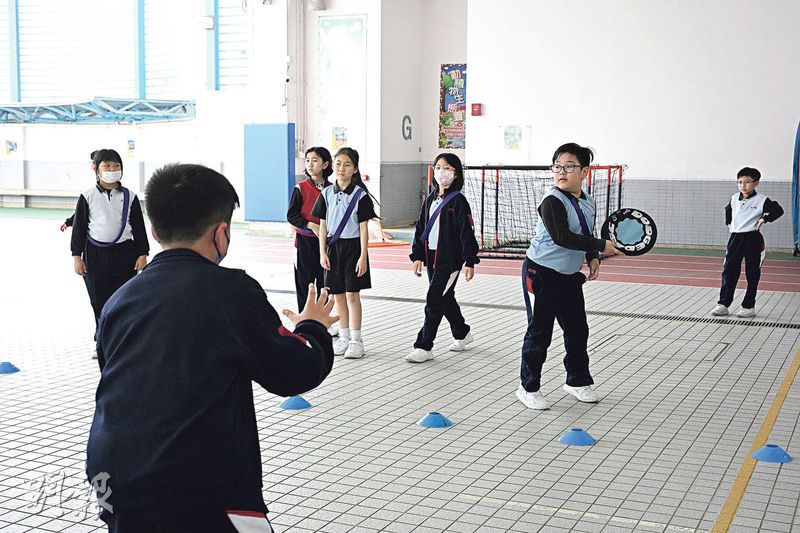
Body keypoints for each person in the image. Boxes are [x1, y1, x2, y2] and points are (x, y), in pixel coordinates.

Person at [86, 163, 338, 532]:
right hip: (201, 483)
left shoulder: (121, 299)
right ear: (221, 233)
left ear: (154, 232)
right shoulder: (232, 292)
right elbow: (294, 371)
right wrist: (312, 326)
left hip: (114, 475)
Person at [516, 143, 623, 410]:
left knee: (577, 331)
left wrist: (593, 257)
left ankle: (577, 381)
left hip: (569, 276)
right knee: (539, 333)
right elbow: (562, 237)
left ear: (584, 171)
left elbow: (585, 230)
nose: (561, 172)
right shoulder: (552, 200)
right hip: (540, 273)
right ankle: (527, 387)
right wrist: (600, 246)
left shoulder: (588, 201)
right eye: (558, 167)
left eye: (569, 167)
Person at [70, 149, 149, 357]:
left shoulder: (130, 196)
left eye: (116, 166)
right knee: (99, 300)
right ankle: (102, 341)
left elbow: (139, 227)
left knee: (124, 298)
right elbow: (79, 228)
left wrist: (143, 253)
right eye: (107, 166)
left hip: (125, 254)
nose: (112, 170)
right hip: (95, 255)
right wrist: (76, 256)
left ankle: (123, 340)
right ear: (97, 170)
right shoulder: (87, 196)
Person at [406, 153, 479, 363]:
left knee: (434, 299)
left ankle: (424, 346)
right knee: (444, 298)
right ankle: (462, 332)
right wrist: (417, 256)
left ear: (455, 174)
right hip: (431, 257)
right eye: (438, 167)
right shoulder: (429, 200)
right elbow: (421, 230)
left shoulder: (458, 201)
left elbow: (467, 233)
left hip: (450, 261)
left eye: (446, 168)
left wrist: (470, 261)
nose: (441, 172)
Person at [312, 147, 377, 359]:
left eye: (347, 164)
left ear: (355, 169)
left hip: (353, 248)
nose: (341, 168)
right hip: (333, 249)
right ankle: (344, 337)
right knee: (338, 295)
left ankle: (357, 341)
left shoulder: (360, 196)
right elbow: (322, 225)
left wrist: (363, 256)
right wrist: (322, 252)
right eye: (338, 163)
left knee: (352, 295)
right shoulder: (326, 194)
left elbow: (364, 228)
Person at [711, 167, 783, 318]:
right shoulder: (734, 198)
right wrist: (729, 224)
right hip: (735, 239)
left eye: (747, 182)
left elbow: (778, 210)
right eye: (740, 182)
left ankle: (748, 306)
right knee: (729, 272)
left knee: (752, 273)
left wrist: (764, 219)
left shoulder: (762, 200)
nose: (743, 185)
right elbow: (728, 211)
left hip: (753, 239)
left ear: (756, 183)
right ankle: (723, 304)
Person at [286, 147, 339, 336]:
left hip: (326, 244)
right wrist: (311, 225)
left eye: (315, 160)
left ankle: (324, 322)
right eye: (307, 160)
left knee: (324, 283)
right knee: (305, 283)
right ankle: (304, 322)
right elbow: (291, 215)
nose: (309, 164)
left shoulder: (333, 190)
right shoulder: (300, 188)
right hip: (304, 243)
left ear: (325, 164)